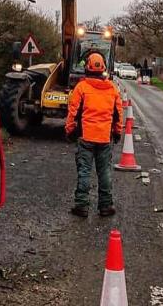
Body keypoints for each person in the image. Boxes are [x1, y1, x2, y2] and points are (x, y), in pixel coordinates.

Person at [65, 52, 123, 217]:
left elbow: (73, 112)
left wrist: (69, 131)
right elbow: (118, 113)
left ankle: (82, 205)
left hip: (86, 137)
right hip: (105, 138)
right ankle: (105, 205)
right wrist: (117, 132)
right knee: (104, 171)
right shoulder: (112, 88)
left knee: (84, 170)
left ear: (87, 67)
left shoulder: (81, 88)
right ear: (103, 68)